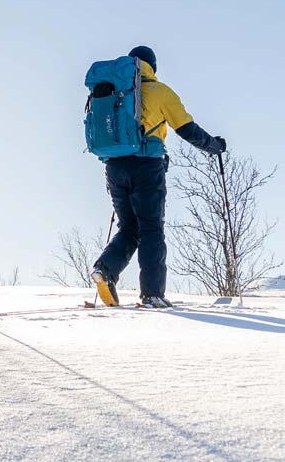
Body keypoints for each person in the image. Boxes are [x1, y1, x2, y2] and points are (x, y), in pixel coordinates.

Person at [92, 45, 226, 309]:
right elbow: (187, 130)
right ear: (152, 66)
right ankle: (152, 293)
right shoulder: (160, 91)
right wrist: (215, 146)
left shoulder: (113, 92)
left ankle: (104, 269)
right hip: (146, 167)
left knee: (129, 227)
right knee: (151, 228)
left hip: (114, 167)